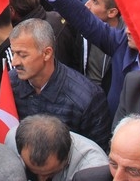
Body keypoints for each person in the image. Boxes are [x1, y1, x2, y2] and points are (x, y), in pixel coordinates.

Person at [22, 0, 136, 116]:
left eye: (138, 27)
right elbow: (82, 17)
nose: (128, 31)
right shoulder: (121, 42)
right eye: (130, 24)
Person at [9, 18, 112, 151]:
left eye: (22, 55)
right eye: (13, 53)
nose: (14, 62)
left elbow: (98, 155)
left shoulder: (87, 98)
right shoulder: (10, 82)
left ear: (47, 53)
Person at [6, 114, 108, 181]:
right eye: (32, 171)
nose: (42, 179)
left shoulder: (94, 169)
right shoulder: (12, 141)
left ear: (66, 157)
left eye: (50, 173)